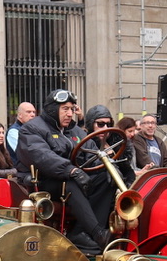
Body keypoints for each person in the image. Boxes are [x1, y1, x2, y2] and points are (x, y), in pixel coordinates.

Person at [16, 88, 111, 251]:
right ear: (53, 109)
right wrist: (72, 171)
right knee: (70, 183)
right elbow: (42, 157)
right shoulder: (31, 129)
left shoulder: (75, 130)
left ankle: (80, 232)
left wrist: (106, 163)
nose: (70, 114)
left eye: (72, 109)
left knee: (105, 178)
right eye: (65, 109)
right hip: (42, 181)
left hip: (72, 177)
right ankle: (97, 233)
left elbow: (91, 152)